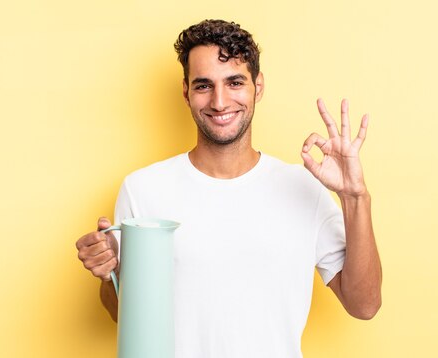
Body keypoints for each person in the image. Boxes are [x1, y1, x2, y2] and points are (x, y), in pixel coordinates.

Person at [76, 19, 381, 357]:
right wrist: (108, 274)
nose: (220, 102)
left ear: (258, 86)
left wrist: (355, 197)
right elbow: (127, 317)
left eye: (234, 82)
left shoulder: (304, 188)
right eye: (204, 85)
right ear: (186, 91)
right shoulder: (143, 190)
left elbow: (364, 304)